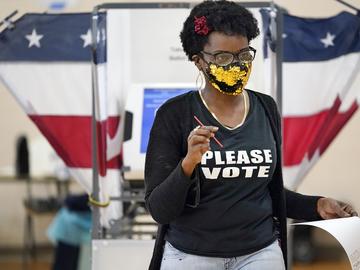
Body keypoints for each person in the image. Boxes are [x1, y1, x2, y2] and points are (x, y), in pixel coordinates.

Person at [144, 1, 358, 270]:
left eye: (244, 55)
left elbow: (267, 190)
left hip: (260, 252)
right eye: (223, 58)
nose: (236, 65)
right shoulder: (174, 114)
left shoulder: (265, 107)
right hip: (192, 255)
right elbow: (159, 210)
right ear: (198, 61)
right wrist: (188, 164)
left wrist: (316, 205)